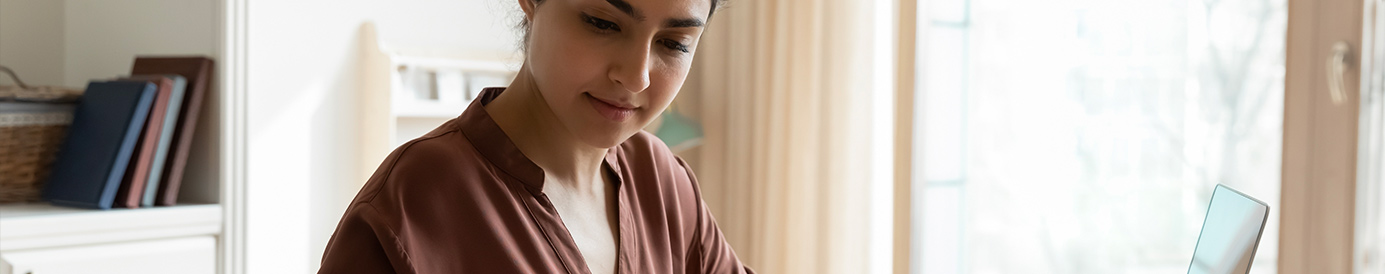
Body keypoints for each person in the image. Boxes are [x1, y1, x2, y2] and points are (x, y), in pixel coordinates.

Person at [317, 0, 753, 273]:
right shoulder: (411, 206)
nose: (636, 76)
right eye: (603, 23)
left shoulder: (663, 184)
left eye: (674, 43)